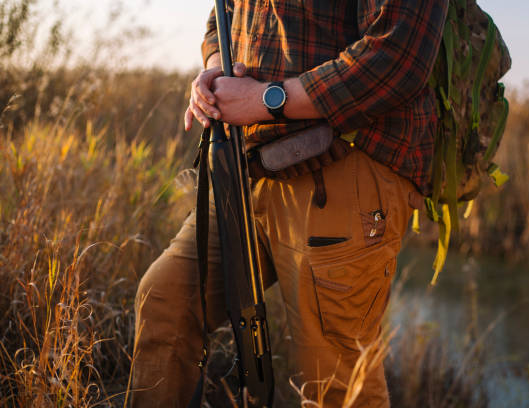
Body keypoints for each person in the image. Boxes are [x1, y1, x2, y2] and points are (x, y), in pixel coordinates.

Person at [132, 0, 448, 406]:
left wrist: (267, 99)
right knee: (165, 300)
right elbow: (222, 16)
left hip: (344, 170)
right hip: (248, 173)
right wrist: (214, 73)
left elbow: (398, 54)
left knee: (337, 383)